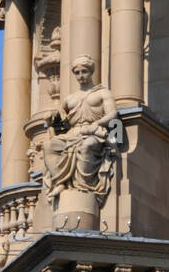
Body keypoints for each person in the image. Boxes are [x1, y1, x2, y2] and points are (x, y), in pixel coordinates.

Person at [43, 57, 118, 199]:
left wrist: (97, 124)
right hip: (73, 133)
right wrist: (50, 119)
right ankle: (60, 181)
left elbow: (112, 114)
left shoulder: (102, 93)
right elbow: (61, 120)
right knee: (49, 146)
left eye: (84, 71)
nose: (80, 75)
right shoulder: (70, 99)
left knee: (87, 145)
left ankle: (84, 185)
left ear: (91, 72)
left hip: (95, 133)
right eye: (77, 72)